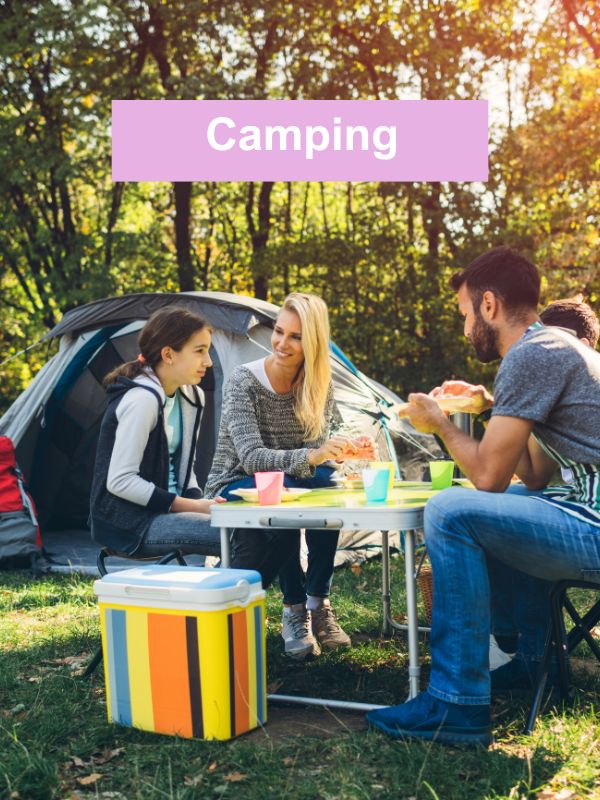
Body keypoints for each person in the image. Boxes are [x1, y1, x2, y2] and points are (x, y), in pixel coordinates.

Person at [366, 246, 600, 746]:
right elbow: (534, 474)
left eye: (465, 314)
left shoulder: (530, 355)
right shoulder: (554, 347)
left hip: (594, 521)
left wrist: (441, 424)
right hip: (583, 509)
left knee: (450, 509)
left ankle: (455, 703)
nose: (464, 326)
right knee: (516, 503)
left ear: (489, 305)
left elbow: (489, 479)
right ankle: (532, 664)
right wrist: (494, 407)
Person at [205, 292, 375, 660]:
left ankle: (318, 603)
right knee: (282, 494)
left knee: (326, 488)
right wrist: (312, 456)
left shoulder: (318, 384)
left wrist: (346, 451)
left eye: (295, 337)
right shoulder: (243, 381)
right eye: (280, 332)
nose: (282, 343)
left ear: (312, 342)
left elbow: (320, 448)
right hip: (235, 481)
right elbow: (250, 458)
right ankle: (294, 608)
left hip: (291, 481)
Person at [90, 307, 225, 559]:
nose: (208, 361)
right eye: (200, 351)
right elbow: (120, 481)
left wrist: (202, 505)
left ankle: (215, 592)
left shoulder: (191, 396)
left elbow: (186, 469)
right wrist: (193, 507)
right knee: (241, 538)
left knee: (259, 530)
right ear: (168, 355)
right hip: (131, 523)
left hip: (168, 512)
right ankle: (213, 595)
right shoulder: (142, 399)